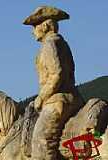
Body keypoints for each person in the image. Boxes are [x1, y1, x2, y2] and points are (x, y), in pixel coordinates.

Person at [23, 6, 84, 159]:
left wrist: (41, 97)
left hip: (58, 101)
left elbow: (57, 74)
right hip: (73, 98)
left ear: (45, 26)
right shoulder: (61, 43)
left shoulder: (49, 45)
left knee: (40, 142)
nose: (33, 31)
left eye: (35, 26)